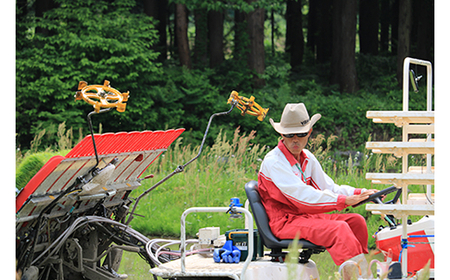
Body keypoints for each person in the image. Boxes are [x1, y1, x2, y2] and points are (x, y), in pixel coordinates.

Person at [257, 103, 378, 278]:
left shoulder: (307, 159)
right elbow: (302, 198)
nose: (295, 139)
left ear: (310, 132)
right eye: (290, 135)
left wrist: (361, 192)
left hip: (304, 217)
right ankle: (361, 278)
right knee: (339, 229)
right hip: (284, 222)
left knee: (356, 221)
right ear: (282, 134)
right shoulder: (275, 162)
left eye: (301, 134)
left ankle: (358, 272)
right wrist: (343, 201)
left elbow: (329, 188)